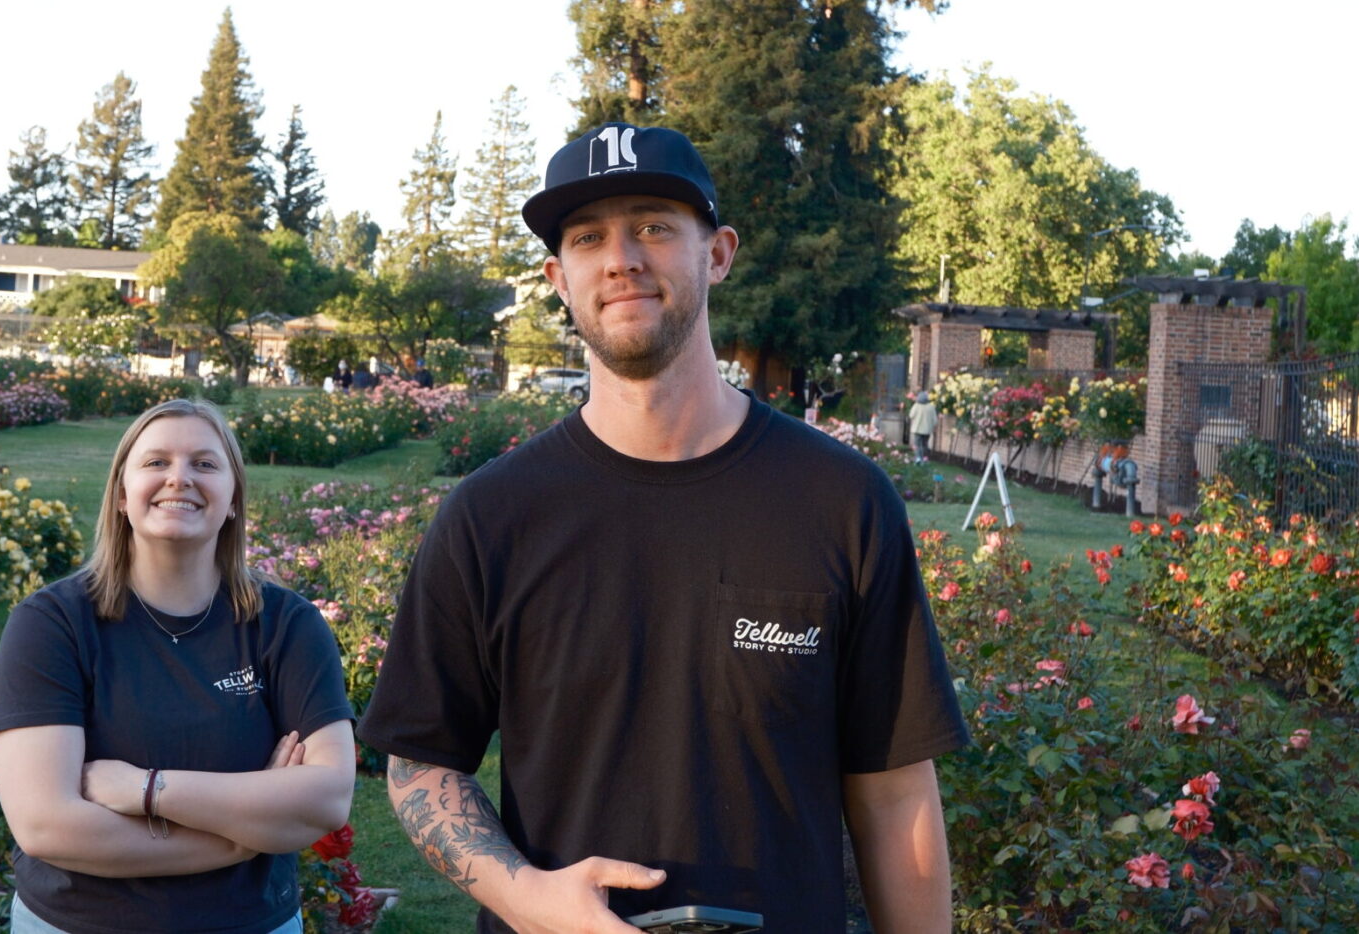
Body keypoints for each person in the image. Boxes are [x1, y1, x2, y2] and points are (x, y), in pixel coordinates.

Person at [359, 124, 967, 933]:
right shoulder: (491, 516)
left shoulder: (840, 500)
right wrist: (525, 895)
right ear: (559, 278)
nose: (621, 259)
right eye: (588, 238)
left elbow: (895, 793)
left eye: (653, 225)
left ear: (716, 254)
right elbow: (421, 758)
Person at [0, 398, 356, 934]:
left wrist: (147, 789)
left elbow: (326, 798)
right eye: (156, 462)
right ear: (120, 494)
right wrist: (234, 840)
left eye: (204, 464)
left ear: (232, 500)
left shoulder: (287, 625)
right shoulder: (53, 624)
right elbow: (47, 826)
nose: (179, 478)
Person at [908, 390, 939, 464]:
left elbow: (911, 415)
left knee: (918, 445)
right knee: (924, 445)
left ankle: (918, 458)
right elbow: (935, 420)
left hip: (917, 429)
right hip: (927, 430)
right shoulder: (931, 407)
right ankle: (923, 459)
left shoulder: (916, 406)